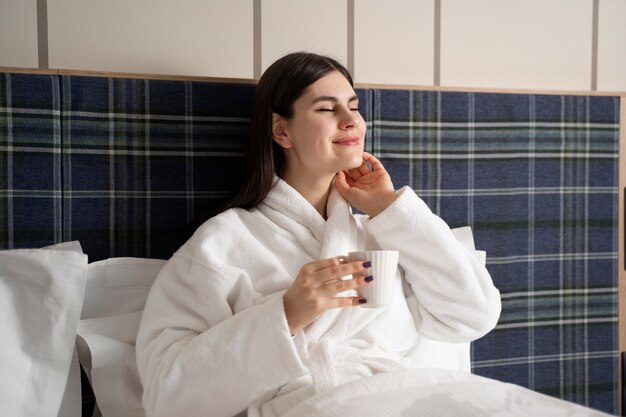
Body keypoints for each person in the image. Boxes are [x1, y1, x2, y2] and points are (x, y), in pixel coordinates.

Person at [135, 52, 502, 417]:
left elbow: (473, 315)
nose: (350, 121)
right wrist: (286, 314)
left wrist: (389, 209)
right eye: (327, 109)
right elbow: (167, 395)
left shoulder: (385, 232)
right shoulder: (223, 243)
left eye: (354, 107)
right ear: (282, 130)